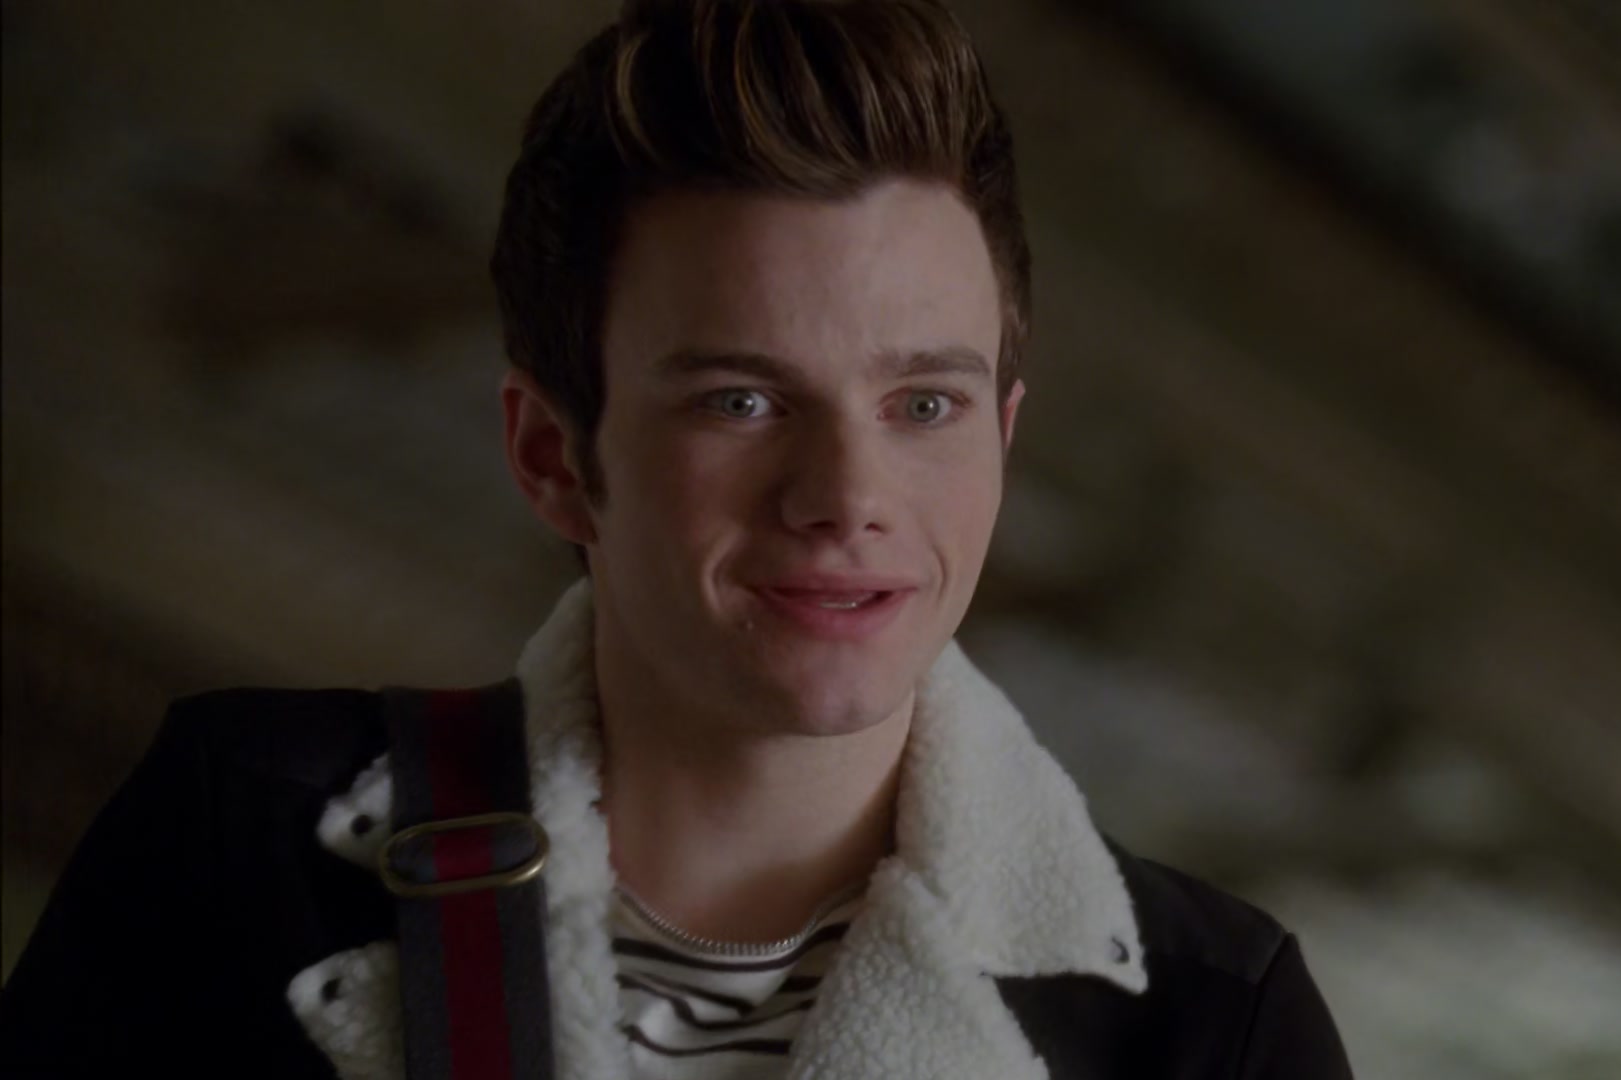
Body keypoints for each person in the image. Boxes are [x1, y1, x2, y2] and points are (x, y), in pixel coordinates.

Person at [0, 2, 1352, 1077]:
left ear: (1002, 437)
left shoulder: (1212, 1028)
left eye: (924, 404)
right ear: (553, 456)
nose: (847, 495)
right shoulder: (244, 841)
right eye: (741, 401)